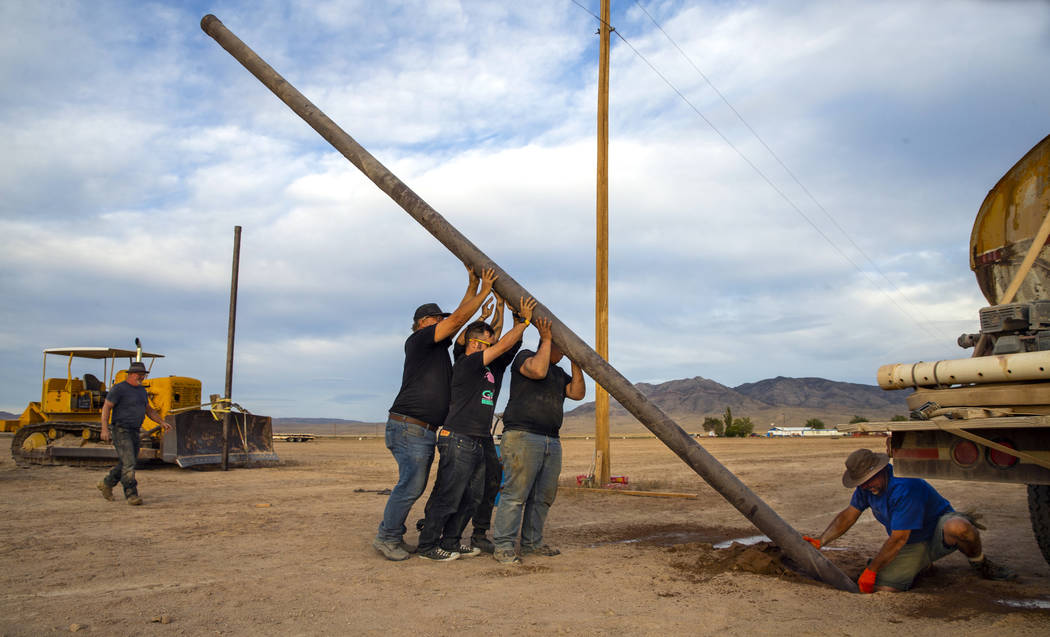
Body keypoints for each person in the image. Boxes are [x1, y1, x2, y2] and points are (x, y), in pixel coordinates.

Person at [373, 266, 497, 562]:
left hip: (422, 429)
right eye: (437, 319)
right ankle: (386, 537)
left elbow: (456, 316)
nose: (443, 323)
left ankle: (394, 534)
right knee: (411, 484)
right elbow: (457, 320)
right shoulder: (419, 340)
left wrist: (471, 285)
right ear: (425, 322)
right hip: (410, 426)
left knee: (414, 485)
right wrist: (483, 291)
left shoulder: (436, 348)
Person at [415, 297, 536, 561]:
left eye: (490, 344)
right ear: (472, 344)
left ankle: (452, 541)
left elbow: (508, 344)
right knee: (450, 494)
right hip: (458, 436)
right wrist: (525, 322)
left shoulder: (492, 366)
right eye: (484, 343)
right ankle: (427, 546)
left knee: (473, 496)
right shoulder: (467, 362)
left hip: (479, 438)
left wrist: (508, 316)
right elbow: (502, 343)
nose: (490, 347)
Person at [803, 448, 1017, 592]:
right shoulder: (867, 488)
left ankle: (980, 563)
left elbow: (898, 539)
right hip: (912, 543)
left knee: (960, 527)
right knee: (886, 589)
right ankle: (921, 565)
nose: (866, 486)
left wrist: (872, 569)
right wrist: (821, 541)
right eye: (861, 483)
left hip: (936, 533)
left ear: (881, 470)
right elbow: (849, 515)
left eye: (868, 480)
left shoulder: (904, 487)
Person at [492, 317, 584, 564]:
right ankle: (503, 546)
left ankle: (532, 544)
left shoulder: (560, 373)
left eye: (565, 351)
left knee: (543, 496)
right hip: (523, 435)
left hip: (551, 440)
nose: (562, 354)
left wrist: (577, 363)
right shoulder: (525, 357)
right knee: (515, 495)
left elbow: (577, 393)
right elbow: (538, 370)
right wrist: (545, 338)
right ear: (547, 343)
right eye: (560, 348)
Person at [97, 361, 172, 506]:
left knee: (128, 461)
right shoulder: (118, 389)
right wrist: (104, 429)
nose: (142, 377)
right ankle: (131, 494)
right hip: (121, 429)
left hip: (135, 430)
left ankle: (107, 483)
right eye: (139, 375)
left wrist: (161, 422)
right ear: (130, 374)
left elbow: (148, 410)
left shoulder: (142, 391)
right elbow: (106, 407)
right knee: (130, 463)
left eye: (143, 375)